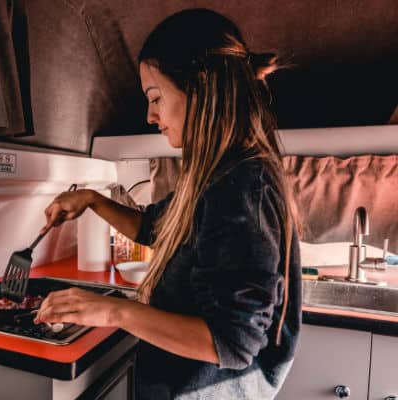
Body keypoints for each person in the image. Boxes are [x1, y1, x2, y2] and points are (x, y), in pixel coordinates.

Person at [35, 8, 301, 400]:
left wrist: (113, 311)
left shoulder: (242, 185)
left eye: (156, 97)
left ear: (201, 85)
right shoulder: (217, 173)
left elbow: (232, 342)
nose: (150, 114)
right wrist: (92, 199)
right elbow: (157, 228)